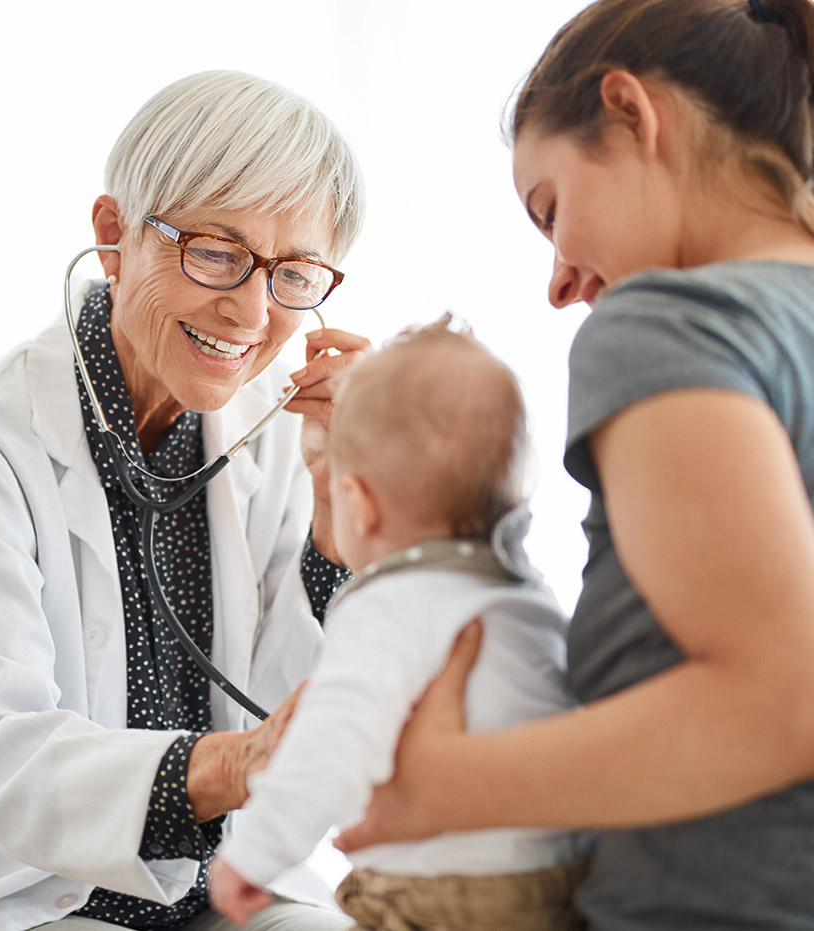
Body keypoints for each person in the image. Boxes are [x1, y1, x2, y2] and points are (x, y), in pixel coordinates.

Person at [0, 70, 370, 931]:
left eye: (293, 272)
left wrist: (346, 518)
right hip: (19, 894)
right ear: (115, 236)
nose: (250, 307)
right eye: (214, 252)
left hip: (222, 885)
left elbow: (301, 715)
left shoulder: (277, 436)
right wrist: (235, 764)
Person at [331, 1, 814, 928]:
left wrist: (444, 786)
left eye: (550, 209)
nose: (557, 279)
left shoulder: (673, 321)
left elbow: (780, 701)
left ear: (632, 113)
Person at [207, 321, 588, 930]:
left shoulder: (387, 606)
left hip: (440, 895)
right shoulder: (529, 599)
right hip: (558, 882)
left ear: (357, 500)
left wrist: (250, 858)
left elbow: (328, 744)